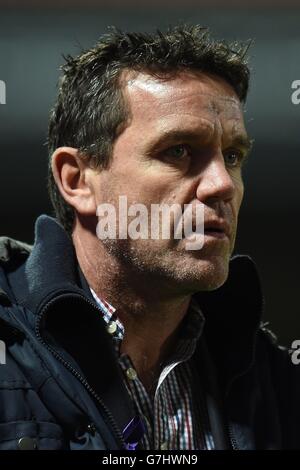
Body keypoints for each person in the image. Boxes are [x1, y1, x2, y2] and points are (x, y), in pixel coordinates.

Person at [0, 24, 299, 451]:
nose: (222, 185)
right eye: (178, 150)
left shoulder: (274, 380)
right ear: (77, 179)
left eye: (232, 156)